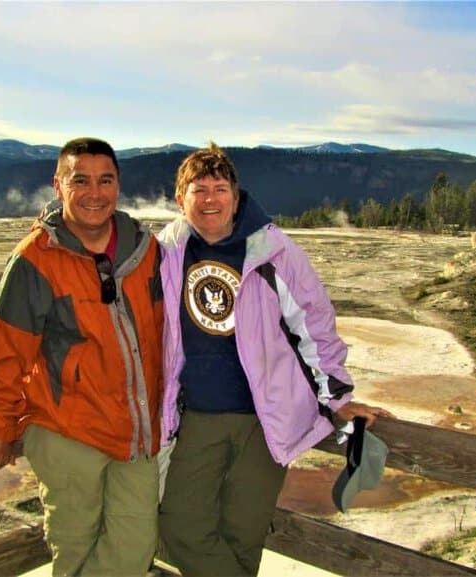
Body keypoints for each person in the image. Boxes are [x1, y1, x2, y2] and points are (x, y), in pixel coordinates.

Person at [156, 143, 394, 577]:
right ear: (180, 199)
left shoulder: (273, 250)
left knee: (243, 532)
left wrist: (337, 397)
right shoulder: (166, 252)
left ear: (236, 194)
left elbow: (314, 326)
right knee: (178, 523)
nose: (210, 199)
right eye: (198, 189)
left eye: (220, 188)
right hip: (196, 416)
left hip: (265, 420)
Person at [0, 137, 164, 576]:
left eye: (105, 180)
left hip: (136, 436)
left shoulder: (145, 251)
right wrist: (2, 427)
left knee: (135, 548)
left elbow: (168, 336)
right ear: (58, 186)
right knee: (74, 552)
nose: (95, 192)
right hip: (68, 434)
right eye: (80, 181)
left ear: (118, 185)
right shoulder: (36, 259)